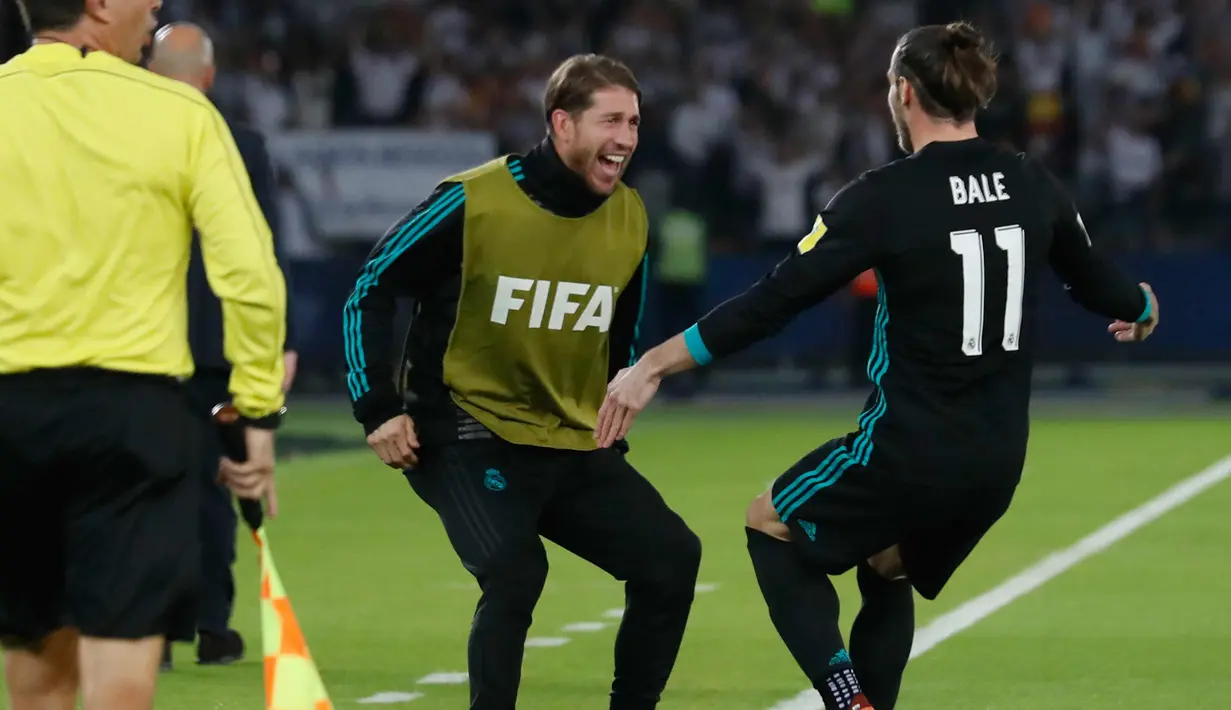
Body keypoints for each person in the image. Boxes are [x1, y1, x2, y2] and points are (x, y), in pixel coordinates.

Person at [596, 22, 1159, 710]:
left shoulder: (883, 196)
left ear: (901, 92)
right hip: (997, 460)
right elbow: (1101, 285)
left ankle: (843, 696)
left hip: (909, 448)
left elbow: (773, 302)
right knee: (885, 564)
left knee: (768, 525)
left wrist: (653, 364)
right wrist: (1142, 304)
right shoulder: (1029, 181)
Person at [343, 54, 702, 710]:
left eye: (635, 123)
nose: (626, 138)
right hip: (462, 430)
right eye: (611, 121)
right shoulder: (473, 200)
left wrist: (608, 424)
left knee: (672, 558)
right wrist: (378, 407)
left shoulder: (629, 218)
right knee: (514, 572)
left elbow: (616, 337)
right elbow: (372, 287)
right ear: (562, 125)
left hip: (566, 438)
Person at [0, 1, 287, 709]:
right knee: (122, 674)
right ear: (99, 5)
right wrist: (253, 408)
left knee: (36, 673)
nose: (155, 5)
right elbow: (249, 276)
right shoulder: (180, 114)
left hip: (9, 413)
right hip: (131, 416)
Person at [148, 21, 297, 670]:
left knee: (147, 489)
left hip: (144, 353)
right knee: (215, 484)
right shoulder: (244, 146)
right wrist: (277, 343)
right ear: (207, 76)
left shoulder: (127, 143)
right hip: (222, 353)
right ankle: (211, 623)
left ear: (149, 72)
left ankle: (151, 630)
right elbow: (263, 253)